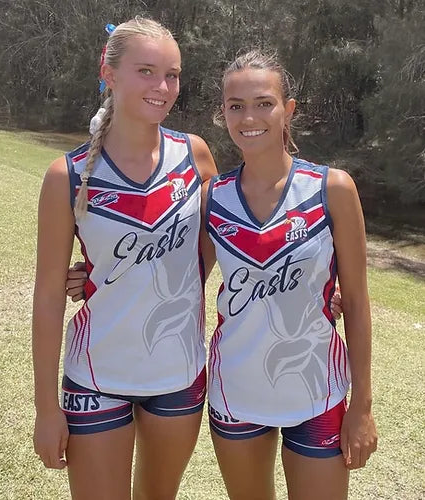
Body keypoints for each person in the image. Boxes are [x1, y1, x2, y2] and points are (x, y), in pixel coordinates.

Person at [32, 17, 217, 500]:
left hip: (177, 376)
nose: (162, 87)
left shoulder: (195, 157)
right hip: (96, 376)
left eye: (172, 74)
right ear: (108, 72)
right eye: (146, 71)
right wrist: (45, 408)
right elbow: (49, 298)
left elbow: (215, 247)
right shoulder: (67, 176)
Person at [202, 50, 377, 500]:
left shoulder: (331, 188)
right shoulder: (213, 197)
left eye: (264, 103)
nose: (249, 117)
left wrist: (362, 406)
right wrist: (90, 275)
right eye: (235, 106)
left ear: (288, 110)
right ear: (223, 114)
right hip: (235, 391)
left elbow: (355, 302)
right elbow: (177, 277)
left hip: (318, 392)